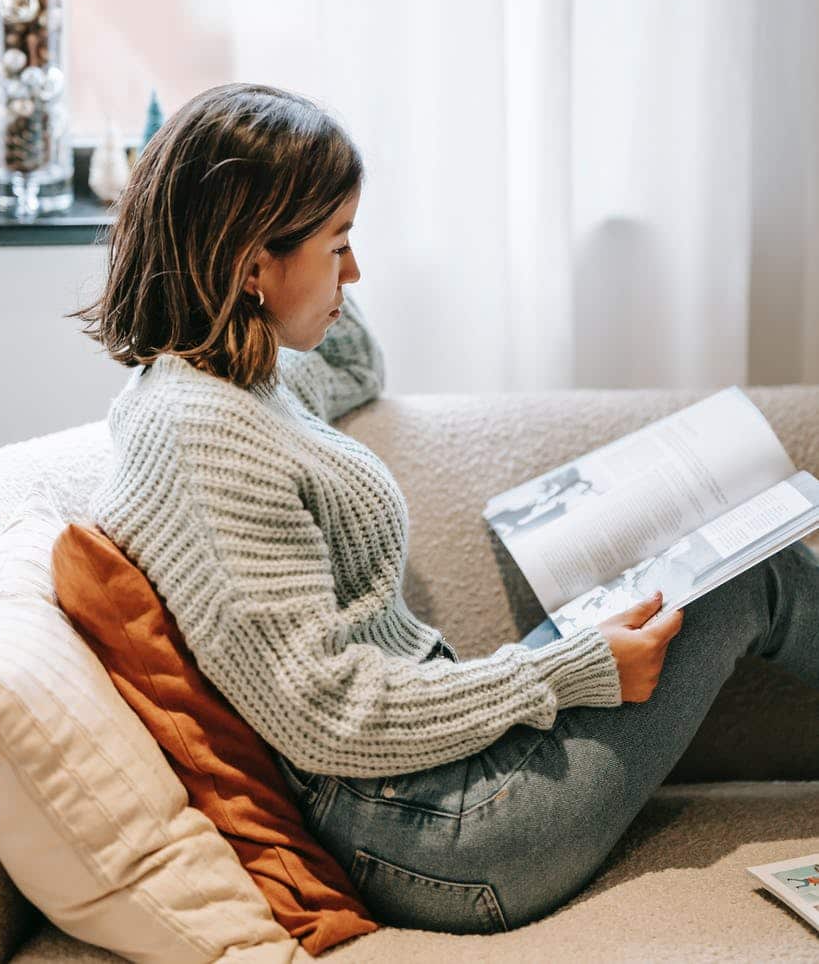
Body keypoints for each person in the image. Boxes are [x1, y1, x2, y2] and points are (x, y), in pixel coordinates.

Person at [74, 83, 819, 935]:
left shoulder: (239, 379)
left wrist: (303, 257)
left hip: (436, 780)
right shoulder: (205, 438)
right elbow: (331, 719)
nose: (353, 273)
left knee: (714, 542)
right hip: (437, 839)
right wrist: (567, 670)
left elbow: (356, 368)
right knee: (751, 574)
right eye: (338, 244)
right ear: (250, 263)